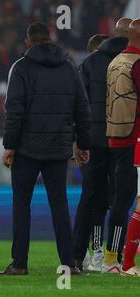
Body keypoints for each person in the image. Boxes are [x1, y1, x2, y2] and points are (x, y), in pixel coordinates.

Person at [0, 22, 91, 276]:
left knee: (21, 204)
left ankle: (19, 263)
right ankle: (68, 263)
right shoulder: (69, 68)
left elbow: (13, 110)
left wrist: (9, 146)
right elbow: (82, 107)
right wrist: (82, 143)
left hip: (26, 149)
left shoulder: (21, 68)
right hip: (58, 149)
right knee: (59, 204)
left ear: (28, 42)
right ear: (50, 40)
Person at [73, 19, 130, 273]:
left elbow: (79, 106)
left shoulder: (89, 64)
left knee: (90, 197)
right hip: (124, 138)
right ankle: (112, 258)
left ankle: (78, 257)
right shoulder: (132, 63)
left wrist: (79, 140)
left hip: (94, 139)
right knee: (120, 199)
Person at [105, 19, 140, 274]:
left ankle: (113, 257)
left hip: (115, 134)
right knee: (128, 200)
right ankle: (114, 260)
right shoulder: (137, 64)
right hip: (133, 139)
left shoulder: (115, 61)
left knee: (121, 199)